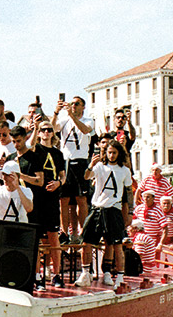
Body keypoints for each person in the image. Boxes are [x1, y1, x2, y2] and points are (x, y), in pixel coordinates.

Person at [78, 140, 132, 288]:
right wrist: (90, 165)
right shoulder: (99, 166)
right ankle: (85, 273)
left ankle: (118, 277)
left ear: (119, 153)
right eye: (109, 152)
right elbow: (86, 176)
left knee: (116, 244)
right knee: (86, 241)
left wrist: (130, 213)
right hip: (97, 208)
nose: (112, 155)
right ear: (105, 153)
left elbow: (128, 191)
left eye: (114, 152)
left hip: (113, 209)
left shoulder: (124, 170)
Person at [52, 96, 94, 245]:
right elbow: (52, 129)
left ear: (83, 107)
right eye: (72, 104)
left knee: (81, 199)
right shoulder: (64, 120)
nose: (73, 106)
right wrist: (56, 113)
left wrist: (71, 116)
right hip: (65, 162)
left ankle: (83, 231)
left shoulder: (88, 120)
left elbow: (85, 130)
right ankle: (65, 233)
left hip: (80, 161)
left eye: (77, 104)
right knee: (63, 199)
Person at [32, 118, 66, 288]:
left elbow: (63, 175)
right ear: (38, 132)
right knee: (36, 237)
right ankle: (38, 276)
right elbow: (27, 145)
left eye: (49, 130)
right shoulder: (35, 149)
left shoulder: (58, 154)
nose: (46, 133)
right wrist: (33, 126)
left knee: (54, 236)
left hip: (52, 198)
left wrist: (59, 183)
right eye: (43, 130)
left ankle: (57, 274)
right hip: (36, 197)